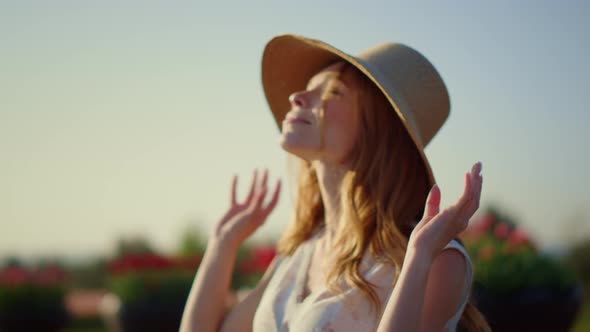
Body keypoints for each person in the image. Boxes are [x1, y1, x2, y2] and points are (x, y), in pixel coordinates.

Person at [180, 34, 491, 332]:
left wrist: (418, 259)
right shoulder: (297, 256)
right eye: (309, 88)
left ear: (377, 128)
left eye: (333, 92)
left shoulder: (435, 258)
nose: (297, 97)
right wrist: (222, 243)